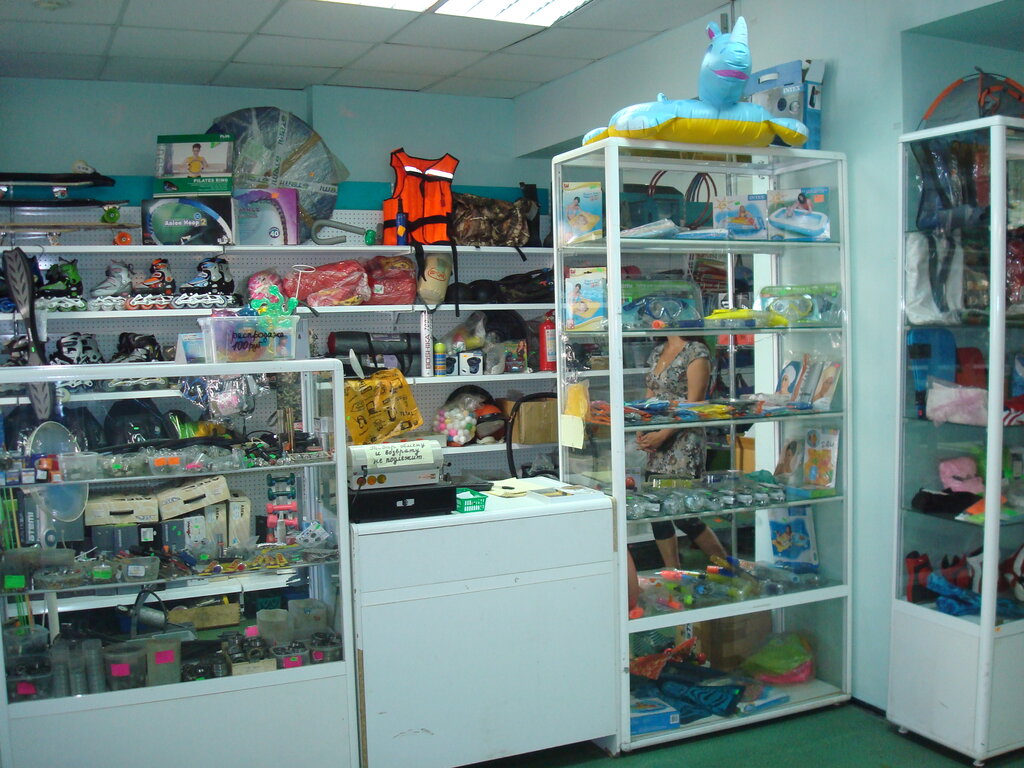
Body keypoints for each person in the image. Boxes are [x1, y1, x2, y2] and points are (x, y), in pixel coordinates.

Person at [638, 334, 728, 568]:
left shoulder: (696, 352)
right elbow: (650, 394)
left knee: (685, 515)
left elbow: (694, 405)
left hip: (684, 442)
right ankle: (673, 573)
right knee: (657, 511)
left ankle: (730, 570)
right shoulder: (658, 351)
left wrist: (663, 434)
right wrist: (643, 427)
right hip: (657, 439)